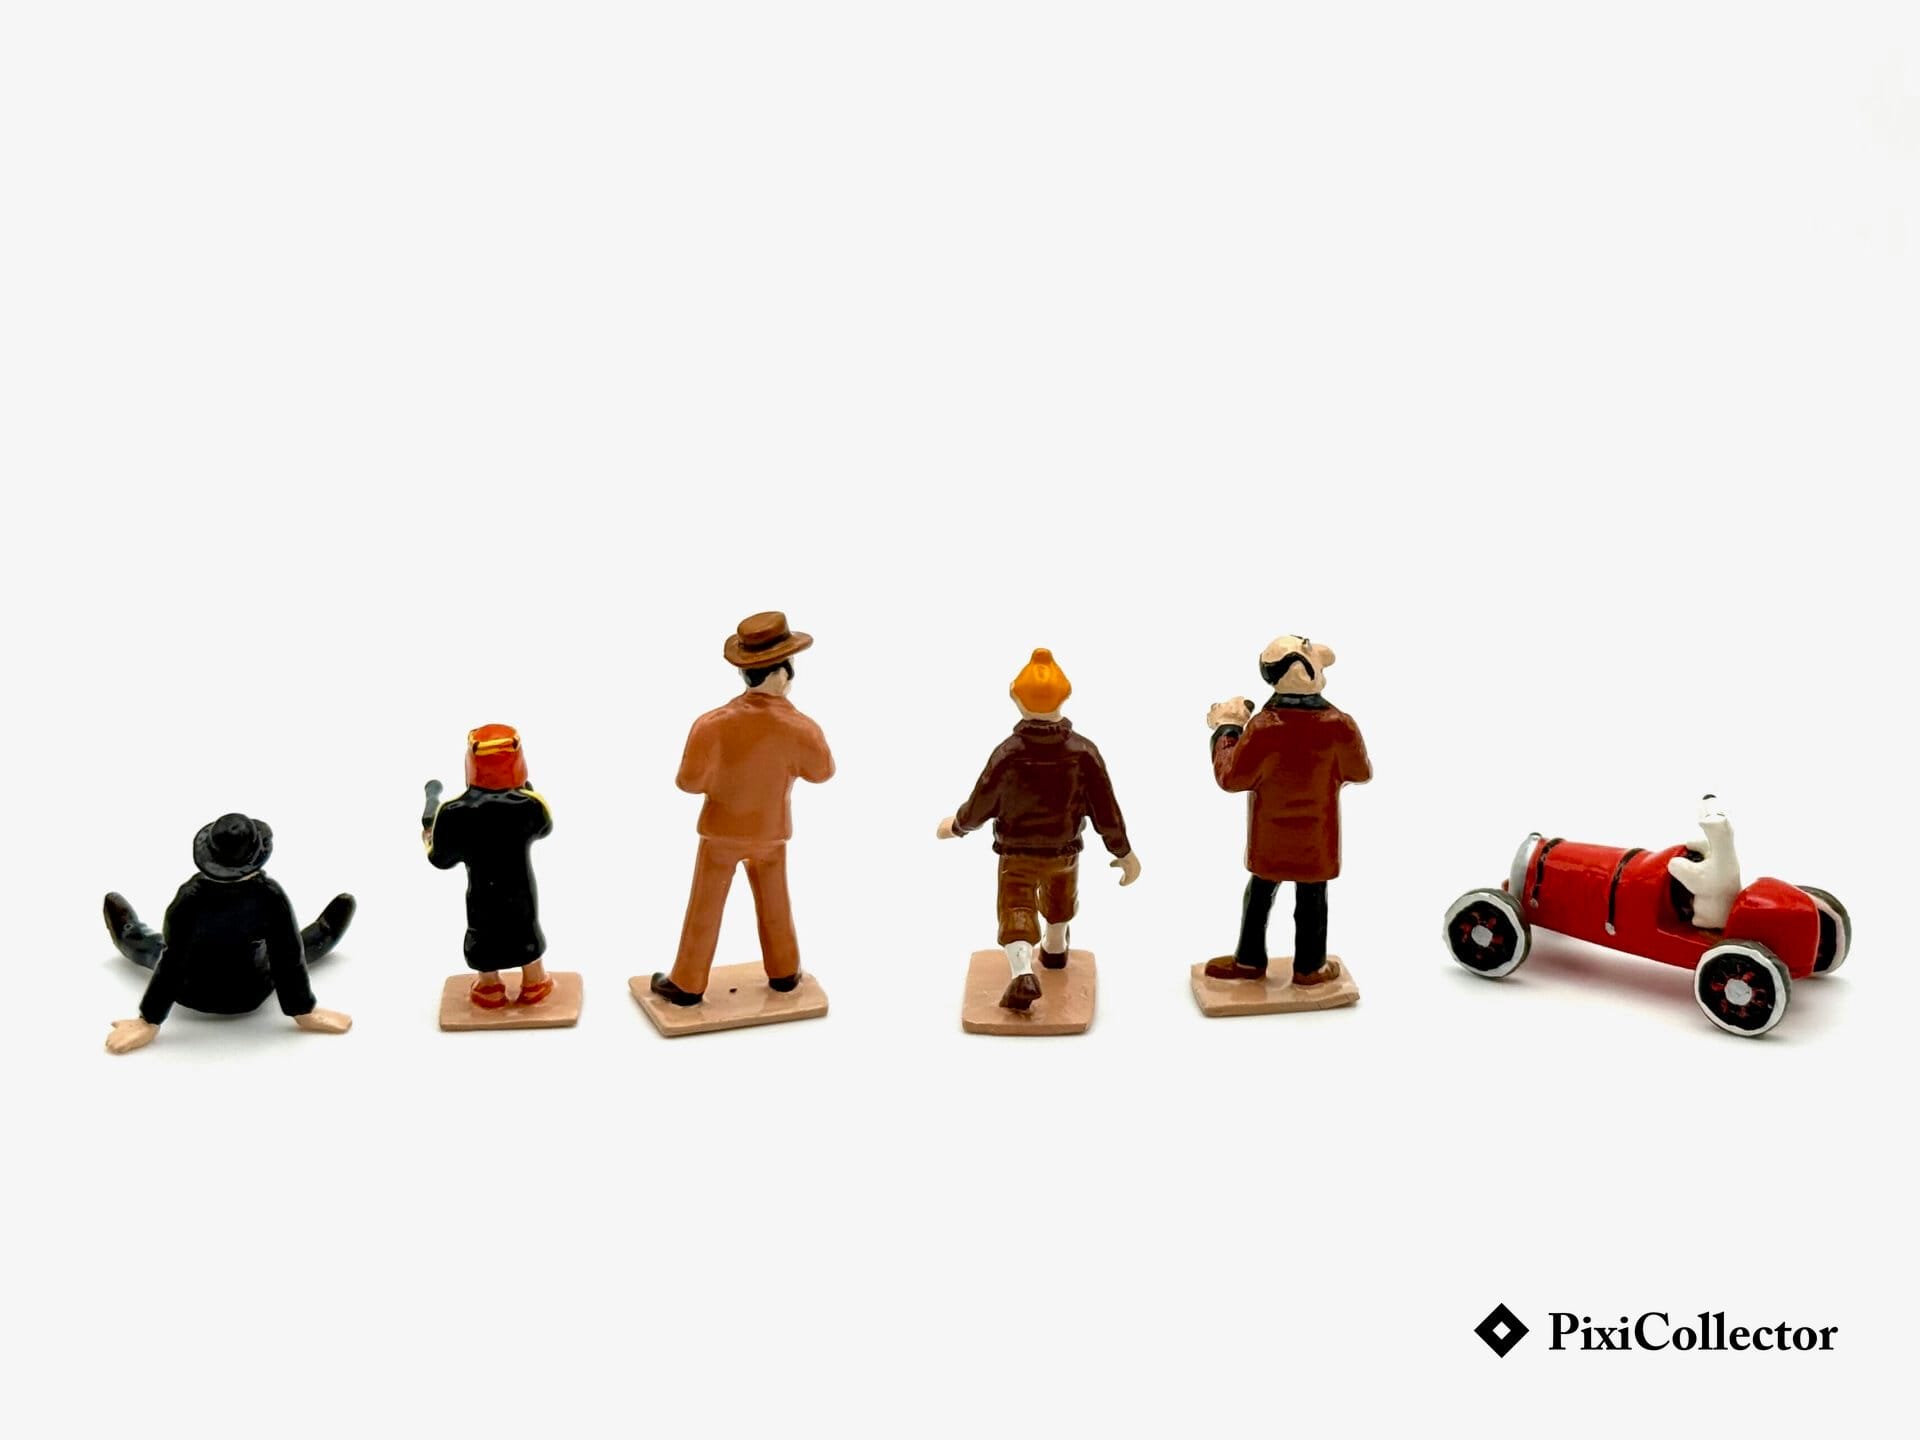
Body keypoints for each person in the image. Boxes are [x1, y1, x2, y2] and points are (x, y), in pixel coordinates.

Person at [938, 648, 1141, 1012]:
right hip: (1064, 852)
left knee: (1016, 906)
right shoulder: (1084, 752)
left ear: (1015, 698)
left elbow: (982, 801)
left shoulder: (1007, 754)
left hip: (1017, 853)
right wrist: (1123, 852)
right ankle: (1055, 949)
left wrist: (958, 825)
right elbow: (1106, 809)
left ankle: (1022, 972)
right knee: (1059, 899)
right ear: (1066, 696)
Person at [651, 612, 835, 1006]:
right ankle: (784, 972)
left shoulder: (711, 724)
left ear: (745, 673)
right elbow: (822, 772)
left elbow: (689, 782)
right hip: (771, 832)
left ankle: (687, 982)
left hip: (720, 832)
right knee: (775, 902)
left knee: (705, 906)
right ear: (782, 675)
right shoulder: (802, 727)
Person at [101, 812, 355, 1053]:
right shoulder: (270, 896)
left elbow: (172, 963)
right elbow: (287, 956)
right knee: (294, 948)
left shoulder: (189, 899)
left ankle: (128, 929)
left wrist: (148, 1020)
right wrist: (303, 1010)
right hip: (253, 990)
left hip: (192, 991)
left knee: (147, 946)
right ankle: (325, 931)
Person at [1206, 634, 1371, 985]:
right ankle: (1310, 967)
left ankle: (1249, 960)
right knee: (1312, 900)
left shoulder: (1263, 728)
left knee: (1259, 895)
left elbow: (1231, 777)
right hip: (1317, 835)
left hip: (1270, 834)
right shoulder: (1340, 725)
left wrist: (1227, 728)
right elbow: (1360, 772)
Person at [424, 724, 555, 1008]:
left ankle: (489, 987)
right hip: (520, 890)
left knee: (484, 934)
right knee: (524, 929)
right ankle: (534, 982)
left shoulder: (453, 813)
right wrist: (525, 791)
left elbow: (440, 859)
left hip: (483, 894)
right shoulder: (529, 805)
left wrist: (429, 838)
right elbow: (544, 826)